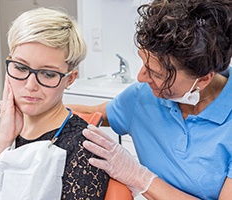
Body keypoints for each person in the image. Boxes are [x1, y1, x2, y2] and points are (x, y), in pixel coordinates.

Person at [68, 0, 232, 199]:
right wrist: (31, 105)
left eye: (157, 73)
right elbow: (92, 113)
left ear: (204, 79)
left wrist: (140, 177)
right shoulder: (142, 97)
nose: (141, 77)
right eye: (144, 62)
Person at [0, 7, 109, 200]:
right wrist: (1, 139)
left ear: (70, 79)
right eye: (20, 67)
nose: (30, 85)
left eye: (48, 74)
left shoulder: (84, 149)